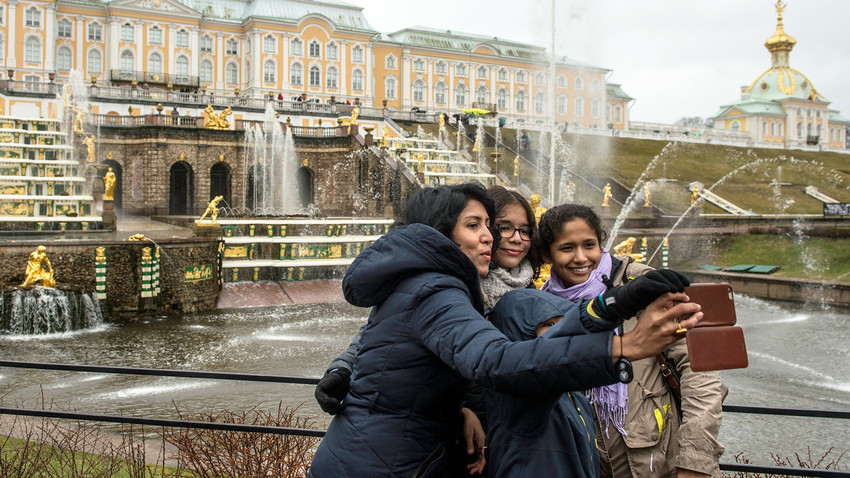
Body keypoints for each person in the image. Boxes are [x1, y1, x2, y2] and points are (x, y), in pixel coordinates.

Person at [308, 183, 702, 478]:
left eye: (520, 229)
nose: (493, 237)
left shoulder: (460, 285)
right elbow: (496, 359)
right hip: (393, 461)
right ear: (441, 232)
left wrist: (612, 304)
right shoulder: (440, 289)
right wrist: (621, 346)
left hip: (416, 453)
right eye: (478, 225)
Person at [537, 204, 724, 478]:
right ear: (547, 253)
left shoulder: (641, 284)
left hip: (655, 460)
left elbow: (699, 365)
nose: (581, 257)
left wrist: (696, 459)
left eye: (589, 245)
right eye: (567, 248)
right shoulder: (542, 303)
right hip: (586, 461)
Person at [485, 288, 618, 478]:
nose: (562, 333)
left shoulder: (576, 399)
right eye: (549, 324)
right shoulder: (517, 395)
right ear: (517, 331)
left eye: (564, 324)